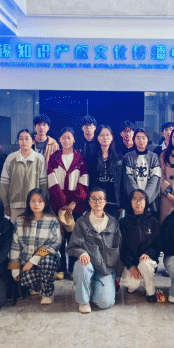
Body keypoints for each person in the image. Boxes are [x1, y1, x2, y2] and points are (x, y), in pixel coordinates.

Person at [67, 188, 122, 313]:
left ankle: (91, 286)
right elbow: (72, 247)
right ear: (89, 202)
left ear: (105, 201)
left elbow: (119, 249)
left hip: (106, 269)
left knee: (105, 303)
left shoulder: (113, 222)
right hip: (88, 264)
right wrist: (81, 252)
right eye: (94, 199)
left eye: (100, 199)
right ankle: (83, 301)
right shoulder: (81, 222)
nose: (97, 202)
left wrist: (118, 275)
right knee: (82, 266)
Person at [48, 127, 89, 280]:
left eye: (69, 137)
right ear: (59, 139)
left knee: (74, 237)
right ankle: (60, 268)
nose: (66, 140)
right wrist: (62, 203)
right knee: (59, 237)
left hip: (75, 205)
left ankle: (72, 268)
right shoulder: (54, 158)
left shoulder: (80, 158)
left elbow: (84, 181)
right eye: (63, 137)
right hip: (57, 204)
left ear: (74, 139)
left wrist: (73, 202)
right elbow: (52, 181)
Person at [9, 188, 62, 305]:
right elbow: (15, 246)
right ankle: (38, 286)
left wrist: (34, 260)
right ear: (28, 202)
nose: (36, 204)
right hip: (26, 262)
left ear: (45, 203)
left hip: (47, 260)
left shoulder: (52, 220)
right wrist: (15, 269)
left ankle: (47, 293)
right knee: (23, 279)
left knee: (46, 262)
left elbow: (55, 243)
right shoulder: (20, 220)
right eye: (33, 201)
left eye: (40, 201)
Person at [119, 189, 161, 303]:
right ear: (130, 202)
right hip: (131, 262)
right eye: (135, 199)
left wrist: (148, 254)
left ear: (146, 201)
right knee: (132, 285)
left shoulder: (154, 222)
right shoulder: (123, 223)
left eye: (141, 199)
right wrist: (131, 266)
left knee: (144, 264)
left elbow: (158, 245)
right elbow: (122, 249)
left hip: (148, 261)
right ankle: (140, 279)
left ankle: (150, 291)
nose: (138, 203)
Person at [0, 129, 47, 222]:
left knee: (33, 230)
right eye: (21, 139)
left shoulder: (39, 159)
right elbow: (4, 184)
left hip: (35, 206)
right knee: (16, 230)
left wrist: (43, 204)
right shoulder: (10, 158)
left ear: (33, 141)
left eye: (27, 138)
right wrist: (4, 205)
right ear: (18, 141)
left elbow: (43, 185)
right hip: (15, 205)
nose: (24, 142)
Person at [88, 124, 124, 217]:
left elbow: (122, 181)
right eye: (102, 135)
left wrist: (122, 201)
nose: (105, 138)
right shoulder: (91, 158)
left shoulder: (119, 157)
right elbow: (90, 181)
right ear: (97, 138)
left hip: (113, 201)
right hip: (97, 201)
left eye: (108, 135)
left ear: (112, 137)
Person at [123, 128, 161, 215]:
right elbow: (128, 179)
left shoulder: (154, 157)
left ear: (147, 139)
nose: (141, 140)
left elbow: (155, 178)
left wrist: (145, 198)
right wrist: (137, 198)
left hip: (150, 201)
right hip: (133, 200)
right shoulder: (128, 157)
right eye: (138, 138)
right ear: (134, 140)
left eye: (144, 138)